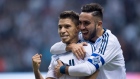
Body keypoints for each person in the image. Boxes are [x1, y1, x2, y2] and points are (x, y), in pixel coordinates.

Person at [51, 3, 126, 79]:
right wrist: (71, 46)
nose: (82, 27)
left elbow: (89, 68)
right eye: (80, 22)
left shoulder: (109, 41)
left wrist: (62, 69)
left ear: (99, 25)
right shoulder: (83, 35)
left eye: (86, 23)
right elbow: (53, 49)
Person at [32, 10, 98, 79]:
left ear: (77, 28)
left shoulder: (87, 49)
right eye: (60, 27)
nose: (62, 31)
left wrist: (64, 70)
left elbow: (95, 73)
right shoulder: (56, 55)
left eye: (67, 26)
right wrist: (36, 70)